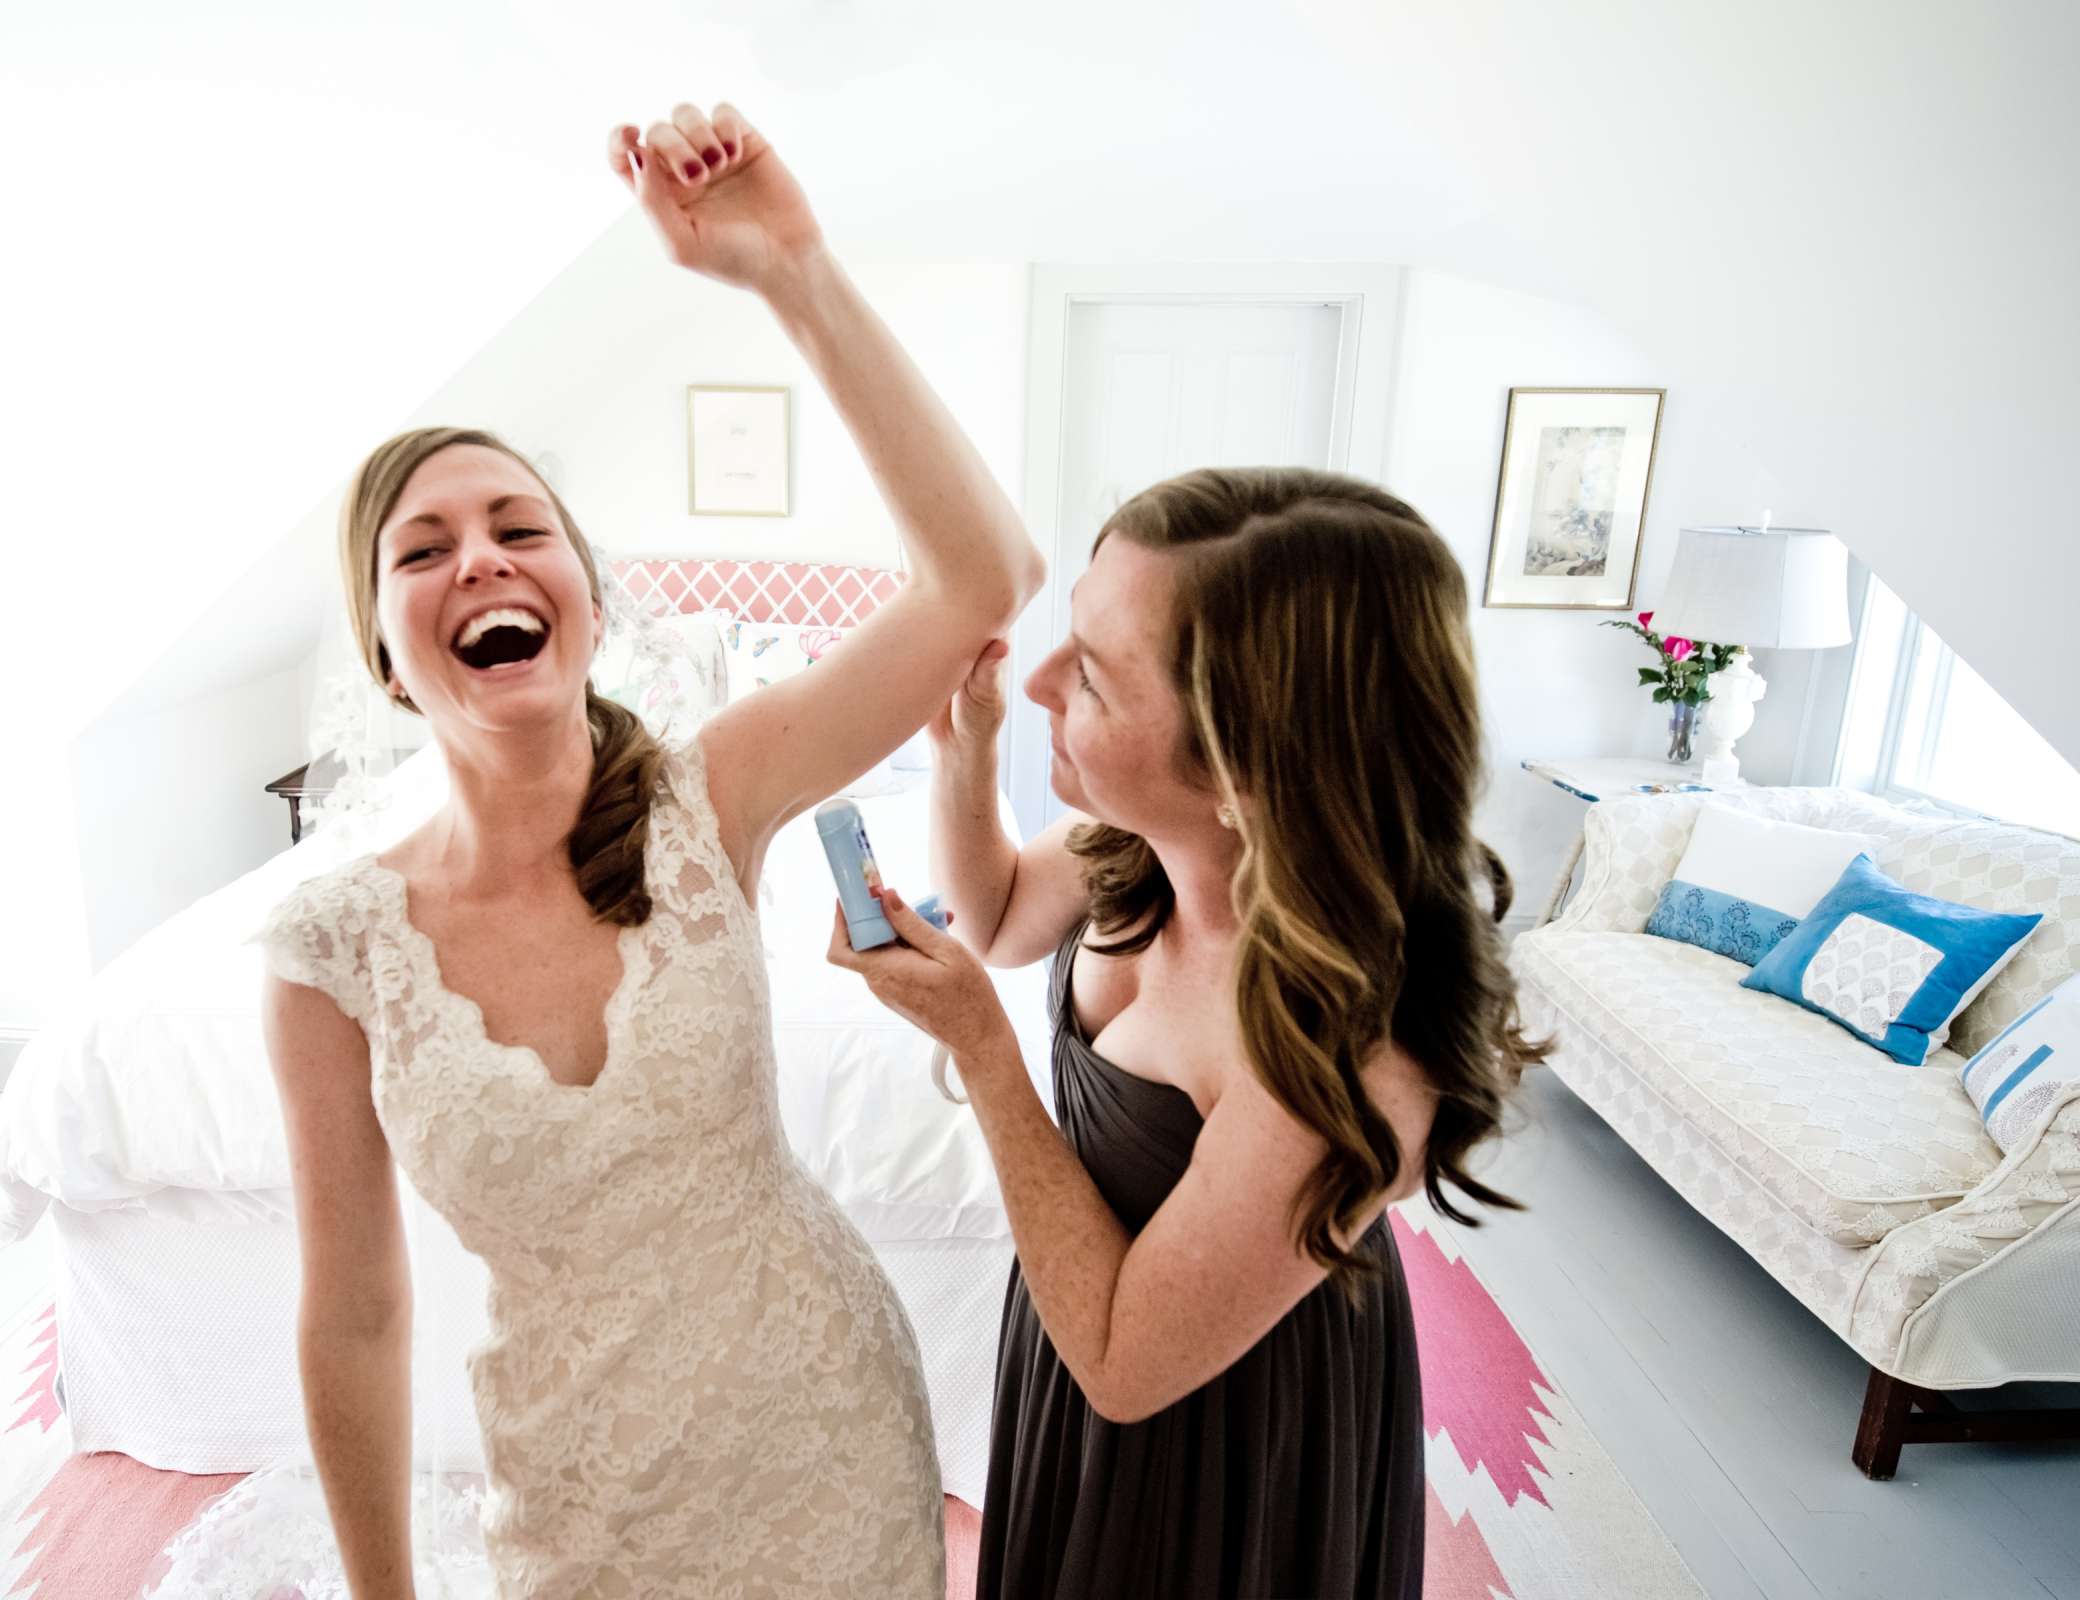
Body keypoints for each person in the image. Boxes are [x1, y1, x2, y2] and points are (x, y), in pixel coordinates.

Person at [148, 102, 1044, 1599]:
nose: (480, 557)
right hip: (580, 1508)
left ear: (585, 597)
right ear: (383, 657)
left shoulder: (719, 791)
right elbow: (355, 1319)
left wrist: (794, 272)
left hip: (827, 1432)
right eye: (422, 550)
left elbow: (984, 576)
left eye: (518, 528)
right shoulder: (332, 952)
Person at [828, 468, 1547, 1600]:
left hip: (1229, 1419)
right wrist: (966, 745)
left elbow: (1124, 1361)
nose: (1046, 683)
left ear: (1248, 768)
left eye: (1099, 679)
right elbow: (1007, 915)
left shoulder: (1351, 1047)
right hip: (1079, 1316)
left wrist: (983, 1049)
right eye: (1069, 631)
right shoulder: (1143, 849)